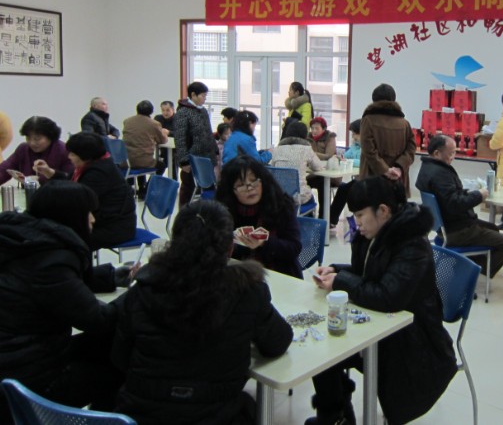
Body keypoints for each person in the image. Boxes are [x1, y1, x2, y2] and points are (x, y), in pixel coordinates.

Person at [111, 200, 293, 425]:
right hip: (219, 416)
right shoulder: (247, 291)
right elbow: (278, 342)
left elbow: (120, 356)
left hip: (142, 416)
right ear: (230, 248)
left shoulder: (145, 287)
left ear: (174, 243)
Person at [310, 176, 457, 424]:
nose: (356, 222)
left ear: (383, 211)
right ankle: (336, 415)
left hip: (412, 340)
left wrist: (341, 281)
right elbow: (372, 273)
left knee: (332, 346)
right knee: (323, 346)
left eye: (360, 215)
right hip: (379, 324)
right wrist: (336, 270)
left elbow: (388, 296)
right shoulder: (375, 232)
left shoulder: (412, 243)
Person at [0, 181, 122, 423]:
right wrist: (142, 293)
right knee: (120, 361)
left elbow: (54, 284)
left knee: (105, 346)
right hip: (29, 378)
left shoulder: (24, 241)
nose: (93, 219)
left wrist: (112, 276)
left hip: (16, 357)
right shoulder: (51, 261)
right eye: (89, 212)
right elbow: (99, 320)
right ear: (72, 215)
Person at [415, 134, 503, 279]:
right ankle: (475, 269)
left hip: (444, 226)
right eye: (451, 153)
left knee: (493, 228)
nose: (453, 157)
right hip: (458, 230)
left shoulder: (426, 167)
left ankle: (469, 263)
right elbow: (455, 204)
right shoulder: (441, 174)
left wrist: (467, 193)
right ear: (437, 153)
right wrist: (479, 195)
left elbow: (448, 197)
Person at [34, 132, 136, 250]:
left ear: (86, 156)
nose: (69, 157)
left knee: (59, 240)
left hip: (113, 228)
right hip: (102, 221)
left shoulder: (99, 173)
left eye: (73, 154)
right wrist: (49, 172)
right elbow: (69, 184)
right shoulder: (91, 164)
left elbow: (74, 198)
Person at [215, 156, 302, 278]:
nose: (250, 188)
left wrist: (264, 243)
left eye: (254, 181)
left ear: (263, 181)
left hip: (280, 273)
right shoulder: (224, 213)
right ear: (231, 190)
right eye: (241, 184)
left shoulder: (281, 206)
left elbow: (294, 248)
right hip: (240, 275)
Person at [359, 83, 416, 197]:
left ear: (374, 100)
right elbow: (411, 149)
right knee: (396, 207)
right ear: (393, 100)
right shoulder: (405, 124)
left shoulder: (368, 120)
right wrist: (399, 167)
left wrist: (385, 170)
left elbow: (368, 150)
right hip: (398, 180)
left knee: (373, 207)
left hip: (373, 179)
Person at [175, 81, 218, 206]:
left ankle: (207, 211)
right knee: (188, 187)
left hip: (207, 157)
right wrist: (184, 161)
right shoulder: (183, 112)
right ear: (193, 95)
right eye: (203, 96)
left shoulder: (203, 111)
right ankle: (184, 212)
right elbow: (180, 139)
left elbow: (208, 132)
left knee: (208, 187)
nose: (205, 99)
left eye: (205, 96)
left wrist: (215, 149)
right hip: (192, 158)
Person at [0, 116, 73, 185]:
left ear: (50, 136)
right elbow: (3, 170)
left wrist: (48, 174)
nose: (32, 143)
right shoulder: (23, 149)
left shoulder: (64, 150)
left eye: (37, 139)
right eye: (28, 138)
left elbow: (71, 180)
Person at [122, 100, 169, 200]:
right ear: (151, 111)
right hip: (142, 160)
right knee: (161, 165)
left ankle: (141, 189)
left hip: (126, 160)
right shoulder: (154, 124)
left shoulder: (127, 121)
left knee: (140, 157)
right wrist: (164, 133)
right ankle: (146, 189)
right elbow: (162, 140)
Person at [270, 122, 324, 205]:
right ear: (305, 135)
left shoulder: (277, 149)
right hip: (298, 197)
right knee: (310, 195)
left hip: (279, 196)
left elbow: (272, 168)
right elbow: (318, 167)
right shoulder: (306, 149)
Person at [328, 119, 362, 229]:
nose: (353, 137)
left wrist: (349, 161)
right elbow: (347, 155)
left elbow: (364, 162)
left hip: (367, 181)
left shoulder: (369, 146)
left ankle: (331, 219)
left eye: (355, 134)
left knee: (345, 189)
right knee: (342, 187)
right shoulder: (355, 146)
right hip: (358, 179)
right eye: (352, 134)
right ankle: (331, 220)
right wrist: (341, 158)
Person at [307, 116, 339, 219]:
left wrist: (311, 154)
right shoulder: (307, 138)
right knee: (301, 183)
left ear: (324, 129)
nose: (314, 131)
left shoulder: (330, 137)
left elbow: (329, 155)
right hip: (313, 174)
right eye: (312, 128)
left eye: (317, 128)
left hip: (329, 175)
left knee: (323, 182)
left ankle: (323, 217)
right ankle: (308, 215)